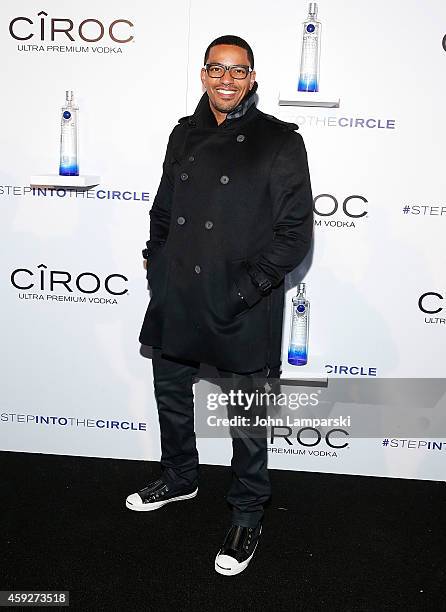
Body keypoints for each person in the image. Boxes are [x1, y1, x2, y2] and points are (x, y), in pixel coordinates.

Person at [127, 34, 313, 576]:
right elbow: (164, 209)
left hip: (239, 302)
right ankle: (181, 476)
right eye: (216, 68)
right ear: (204, 75)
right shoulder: (183, 134)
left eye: (238, 70)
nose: (226, 79)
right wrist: (157, 265)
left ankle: (248, 513)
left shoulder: (279, 141)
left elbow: (294, 232)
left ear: (252, 77)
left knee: (248, 417)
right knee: (170, 391)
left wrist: (244, 291)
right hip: (180, 292)